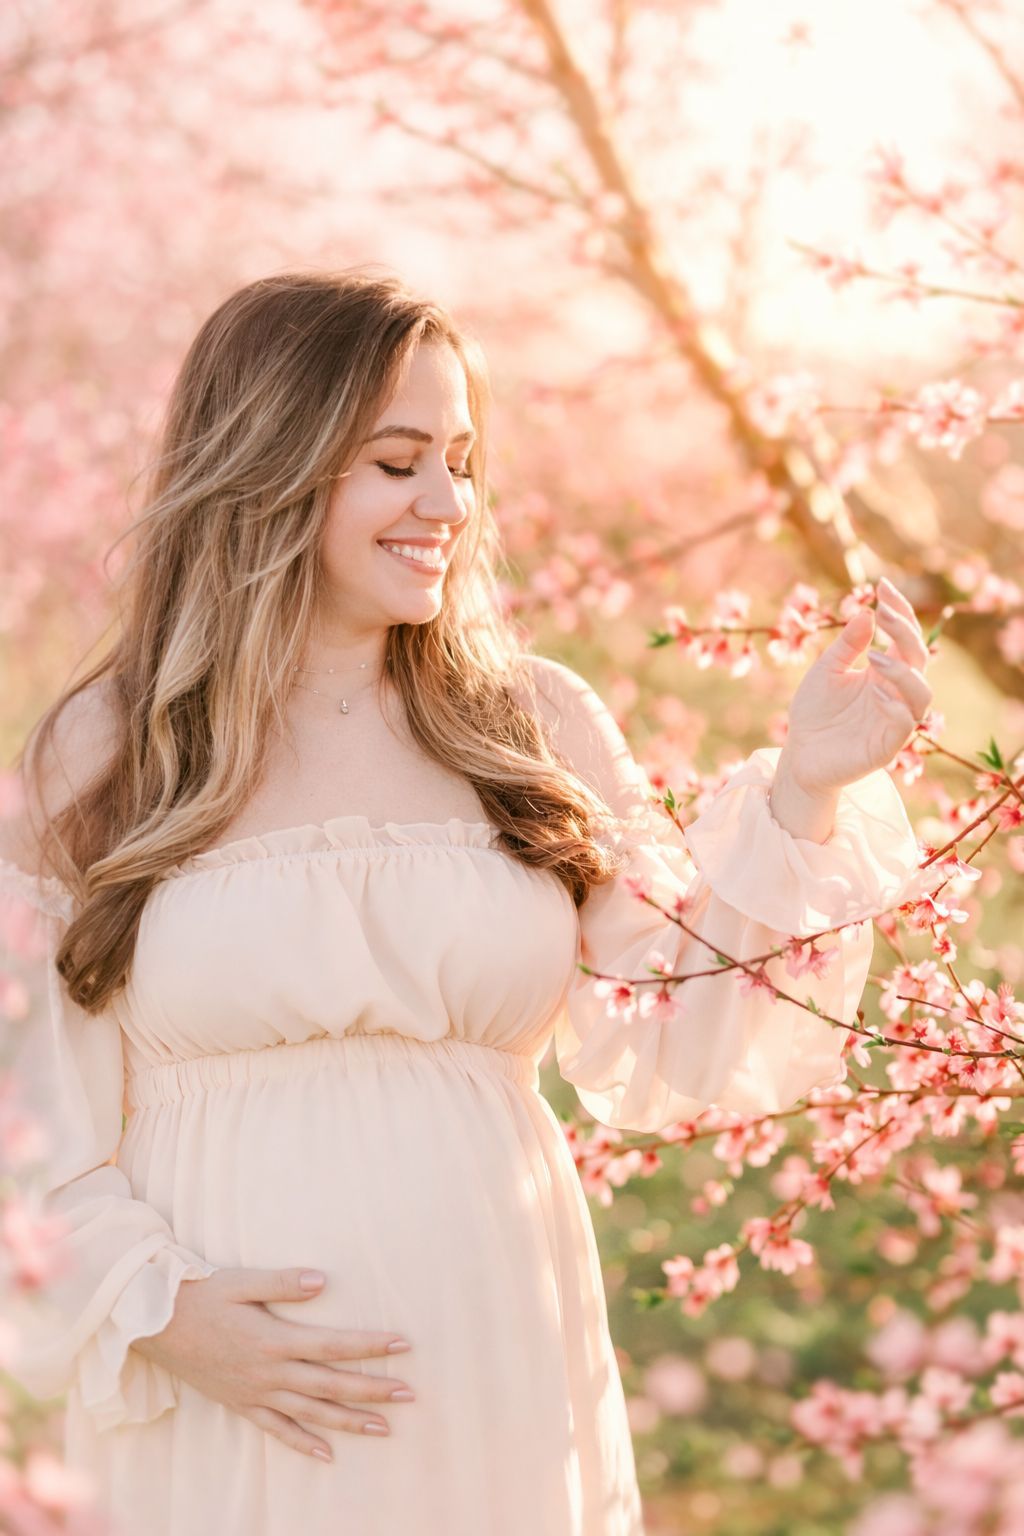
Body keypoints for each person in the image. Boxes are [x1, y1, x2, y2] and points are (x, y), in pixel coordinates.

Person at [0, 268, 937, 1536]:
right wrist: (158, 1314)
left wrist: (807, 793)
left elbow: (681, 1033)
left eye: (461, 461)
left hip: (494, 1367)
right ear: (271, 463)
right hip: (219, 1404)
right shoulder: (111, 750)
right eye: (396, 462)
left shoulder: (527, 724)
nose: (445, 504)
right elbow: (24, 1112)